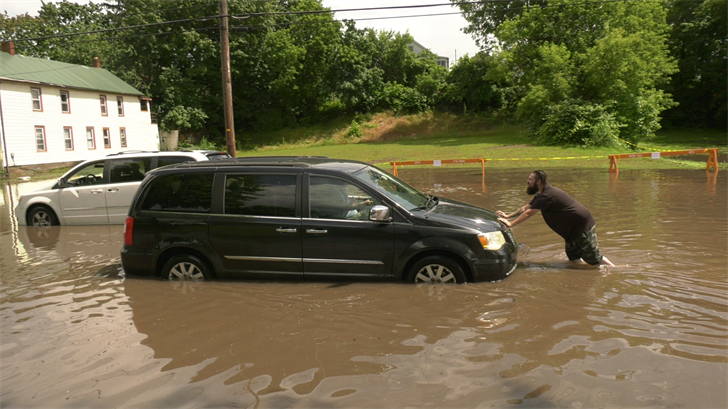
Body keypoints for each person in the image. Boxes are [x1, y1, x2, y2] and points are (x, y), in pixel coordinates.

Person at [497, 170, 614, 267]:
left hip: (581, 226)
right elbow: (526, 208)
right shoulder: (542, 193)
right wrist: (508, 216)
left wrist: (511, 224)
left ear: (538, 182)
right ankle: (582, 274)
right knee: (573, 258)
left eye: (531, 179)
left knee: (594, 258)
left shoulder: (546, 196)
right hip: (572, 230)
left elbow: (528, 213)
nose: (528, 182)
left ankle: (616, 271)